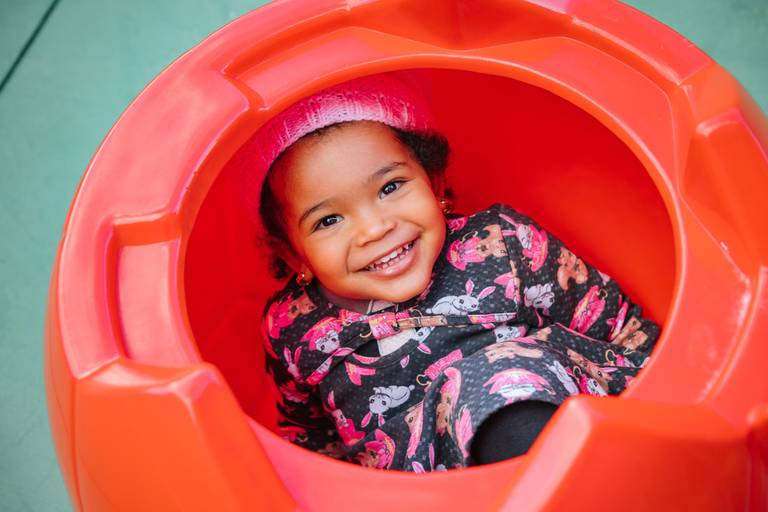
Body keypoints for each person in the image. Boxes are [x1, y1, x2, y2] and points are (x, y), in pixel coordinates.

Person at [242, 72, 659, 471]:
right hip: (416, 488)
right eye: (329, 220)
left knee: (495, 376)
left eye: (390, 187)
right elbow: (308, 435)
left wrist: (664, 409)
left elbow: (619, 328)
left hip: (552, 434)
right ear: (295, 256)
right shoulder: (292, 326)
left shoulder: (499, 244)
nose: (375, 229)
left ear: (435, 183)